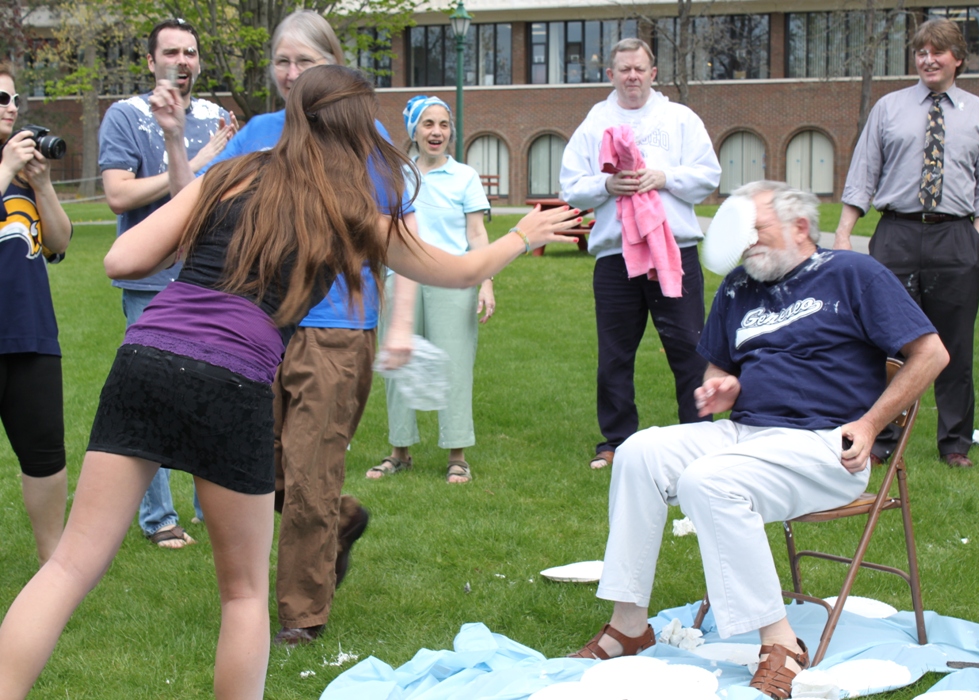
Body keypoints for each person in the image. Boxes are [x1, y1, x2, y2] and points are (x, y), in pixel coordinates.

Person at [0, 64, 581, 699]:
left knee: (69, 567)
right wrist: (524, 234)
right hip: (233, 377)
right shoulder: (351, 207)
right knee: (244, 595)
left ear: (296, 114)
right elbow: (459, 269)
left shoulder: (231, 173)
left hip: (148, 357)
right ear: (360, 126)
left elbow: (122, 260)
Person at [571, 181, 949, 700]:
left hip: (823, 445)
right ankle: (629, 624)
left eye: (757, 229)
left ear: (799, 228)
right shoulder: (737, 287)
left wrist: (867, 423)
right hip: (745, 433)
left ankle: (780, 642)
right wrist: (721, 387)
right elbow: (719, 368)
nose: (746, 242)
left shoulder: (853, 273)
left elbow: (931, 353)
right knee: (638, 451)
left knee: (710, 481)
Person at [201, 9, 417, 647]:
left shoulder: (364, 139)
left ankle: (299, 616)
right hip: (258, 323)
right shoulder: (259, 135)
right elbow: (211, 213)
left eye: (305, 61)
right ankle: (343, 520)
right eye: (282, 62)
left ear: (332, 64)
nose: (292, 74)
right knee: (253, 462)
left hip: (336, 328)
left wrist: (400, 323)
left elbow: (398, 245)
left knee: (310, 473)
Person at [834, 18, 979, 469]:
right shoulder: (889, 108)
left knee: (954, 346)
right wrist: (845, 231)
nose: (928, 59)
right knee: (886, 340)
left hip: (955, 237)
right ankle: (880, 436)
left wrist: (976, 238)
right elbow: (863, 172)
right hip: (897, 233)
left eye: (937, 52)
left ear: (957, 59)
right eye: (921, 52)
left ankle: (954, 444)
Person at [98, 17, 237, 547]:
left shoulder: (218, 117)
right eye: (172, 52)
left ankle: (209, 506)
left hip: (214, 278)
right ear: (150, 60)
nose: (183, 61)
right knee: (154, 396)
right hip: (152, 280)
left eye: (191, 53)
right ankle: (159, 519)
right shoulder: (127, 116)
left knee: (213, 394)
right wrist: (199, 161)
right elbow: (118, 194)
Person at [560, 38, 721, 471]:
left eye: (639, 68)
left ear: (653, 73)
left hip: (674, 251)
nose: (632, 76)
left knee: (689, 349)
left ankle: (700, 436)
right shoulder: (595, 123)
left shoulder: (679, 119)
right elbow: (570, 184)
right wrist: (606, 186)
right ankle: (616, 442)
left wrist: (664, 177)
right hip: (616, 257)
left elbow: (709, 175)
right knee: (615, 353)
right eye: (623, 69)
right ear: (610, 74)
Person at [367, 95, 493, 484]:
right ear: (414, 131)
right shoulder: (396, 174)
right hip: (400, 277)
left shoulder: (465, 177)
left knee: (454, 365)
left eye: (443, 124)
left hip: (452, 279)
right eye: (428, 124)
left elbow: (476, 232)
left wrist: (485, 281)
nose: (436, 132)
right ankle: (399, 452)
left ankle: (457, 454)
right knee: (397, 362)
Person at [0, 64, 74, 567]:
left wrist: (42, 185)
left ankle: (54, 563)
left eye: (14, 99)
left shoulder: (25, 175)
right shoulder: (7, 169)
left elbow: (60, 242)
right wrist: (5, 169)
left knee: (45, 455)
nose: (11, 107)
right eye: (0, 98)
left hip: (29, 335)